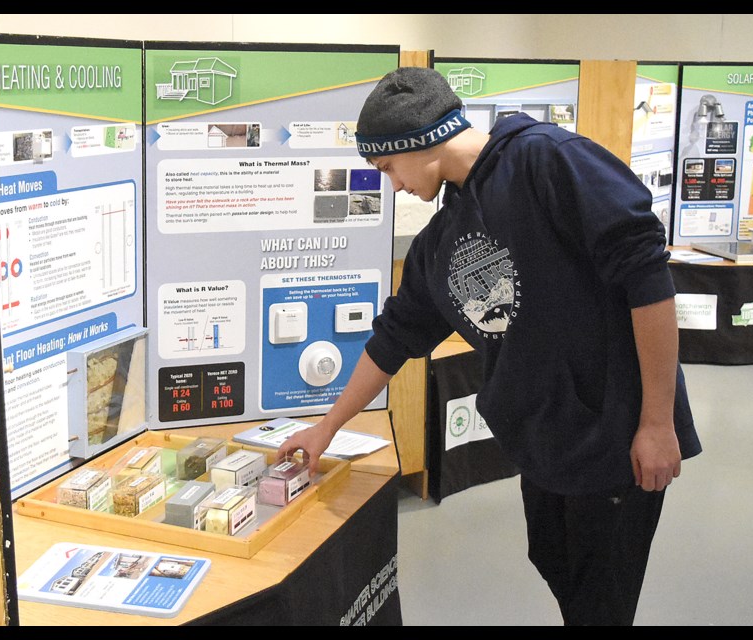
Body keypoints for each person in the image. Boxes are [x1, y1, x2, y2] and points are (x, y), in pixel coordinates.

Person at [276, 66, 702, 626]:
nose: (393, 184)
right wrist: (326, 427)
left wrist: (655, 423)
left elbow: (647, 281)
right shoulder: (441, 240)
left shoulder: (549, 159)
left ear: (416, 140)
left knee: (602, 604)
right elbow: (394, 338)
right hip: (544, 444)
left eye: (387, 167)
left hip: (614, 438)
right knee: (561, 572)